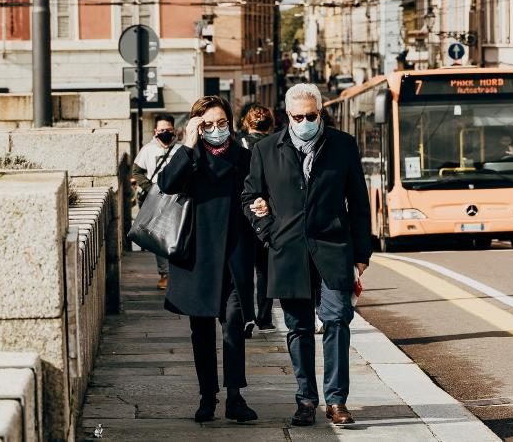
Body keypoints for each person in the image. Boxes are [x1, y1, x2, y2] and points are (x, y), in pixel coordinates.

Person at [242, 83, 371, 427]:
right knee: (298, 328)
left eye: (310, 116)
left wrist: (362, 253)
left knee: (337, 321)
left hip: (333, 250)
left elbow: (359, 202)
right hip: (288, 252)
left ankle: (336, 400)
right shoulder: (267, 149)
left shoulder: (342, 145)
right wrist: (267, 229)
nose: (304, 122)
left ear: (321, 112)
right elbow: (250, 197)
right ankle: (306, 400)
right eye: (297, 116)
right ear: (287, 116)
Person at [156, 96, 258, 424]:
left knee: (233, 328)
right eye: (208, 125)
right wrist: (187, 143)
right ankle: (207, 397)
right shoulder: (189, 157)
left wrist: (261, 207)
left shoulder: (244, 157)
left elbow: (257, 193)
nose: (216, 130)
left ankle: (235, 397)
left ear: (231, 123)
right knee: (200, 332)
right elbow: (166, 183)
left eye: (222, 123)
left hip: (233, 256)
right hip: (196, 258)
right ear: (198, 126)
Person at [238, 105, 277, 335]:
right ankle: (265, 318)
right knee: (264, 270)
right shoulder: (275, 146)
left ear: (246, 123)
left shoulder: (236, 144)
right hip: (265, 214)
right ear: (270, 124)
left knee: (243, 270)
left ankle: (246, 317)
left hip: (243, 212)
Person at [131, 114, 180, 291]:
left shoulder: (180, 150)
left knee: (178, 236)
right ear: (155, 131)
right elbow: (136, 172)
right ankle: (165, 274)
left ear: (174, 130)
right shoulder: (147, 150)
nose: (165, 133)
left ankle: (177, 273)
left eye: (168, 130)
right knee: (160, 238)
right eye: (161, 130)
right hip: (156, 199)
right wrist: (150, 187)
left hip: (177, 198)